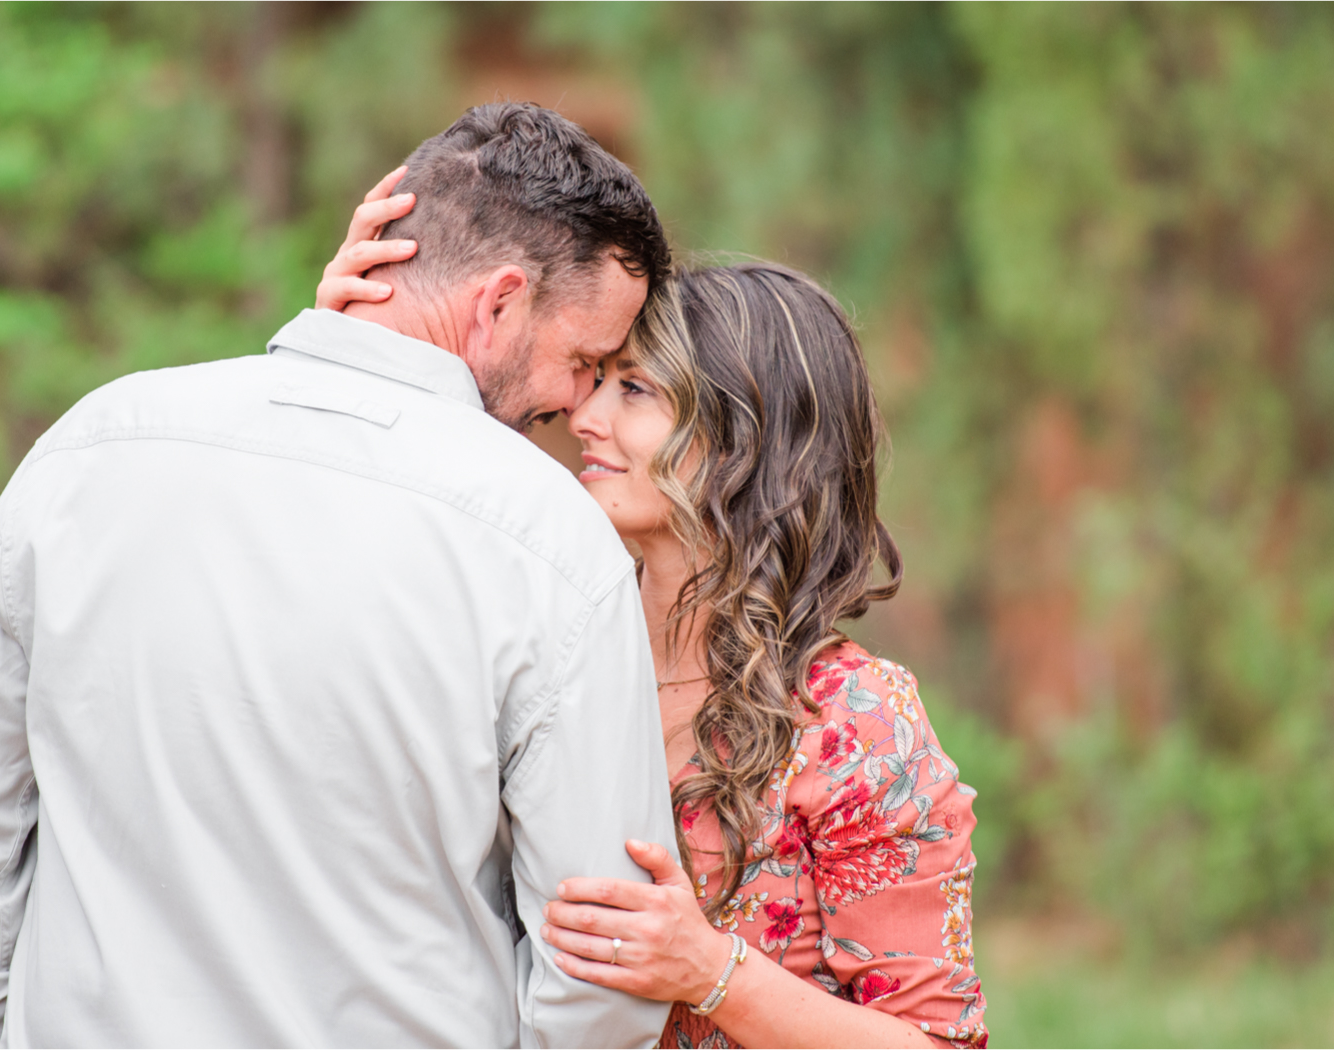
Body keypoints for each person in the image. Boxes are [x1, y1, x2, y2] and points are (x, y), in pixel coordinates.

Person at [0, 102, 681, 1049]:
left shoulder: (91, 448)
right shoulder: (550, 543)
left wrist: (1, 1033)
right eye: (584, 360)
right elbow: (600, 966)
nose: (576, 403)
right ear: (499, 302)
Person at [323, 235, 989, 1043]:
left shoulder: (854, 723)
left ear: (745, 442)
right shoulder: (539, 646)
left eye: (633, 389)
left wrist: (707, 970)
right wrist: (351, 352)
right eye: (596, 378)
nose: (583, 415)